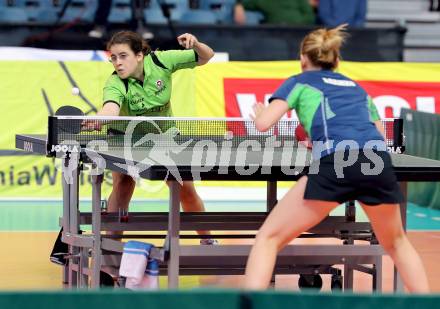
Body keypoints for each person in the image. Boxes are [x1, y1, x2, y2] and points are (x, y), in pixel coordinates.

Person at [243, 25, 429, 293]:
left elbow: (263, 124)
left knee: (268, 238)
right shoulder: (356, 88)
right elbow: (378, 132)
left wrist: (262, 112)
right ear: (336, 61)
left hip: (337, 163)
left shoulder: (299, 81)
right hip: (375, 161)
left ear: (302, 59)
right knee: (397, 243)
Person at [92, 30, 216, 243]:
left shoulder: (161, 61)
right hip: (125, 138)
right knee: (123, 183)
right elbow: (110, 109)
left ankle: (207, 239)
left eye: (123, 56)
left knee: (183, 186)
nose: (117, 63)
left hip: (164, 135)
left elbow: (207, 56)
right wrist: (97, 119)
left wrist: (196, 44)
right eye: (113, 57)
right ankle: (111, 247)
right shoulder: (115, 83)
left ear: (139, 55)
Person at [233, 0, 315, 25]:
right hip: (275, 35)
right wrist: (238, 6)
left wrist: (295, 23)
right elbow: (245, 4)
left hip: (297, 32)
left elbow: (310, 16)